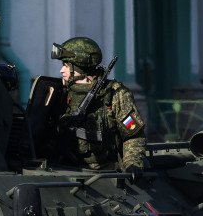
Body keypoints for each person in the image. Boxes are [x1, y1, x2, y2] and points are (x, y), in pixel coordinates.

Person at [45, 36, 146, 170]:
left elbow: (133, 134)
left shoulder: (115, 94)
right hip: (66, 169)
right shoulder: (61, 92)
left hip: (105, 172)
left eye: (65, 65)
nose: (61, 70)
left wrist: (133, 164)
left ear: (79, 67)